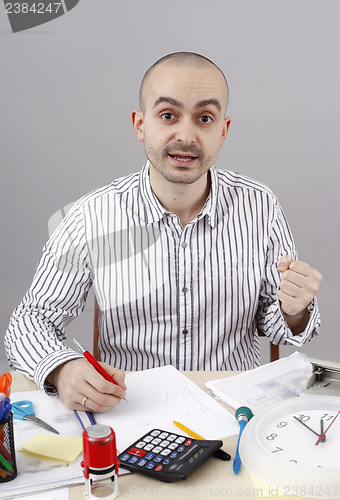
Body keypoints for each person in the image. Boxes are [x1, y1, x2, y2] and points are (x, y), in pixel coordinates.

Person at [5, 52, 322, 413]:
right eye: (168, 115)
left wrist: (294, 309)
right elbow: (30, 321)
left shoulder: (260, 207)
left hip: (234, 408)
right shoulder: (91, 216)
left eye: (204, 118)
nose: (185, 136)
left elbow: (280, 327)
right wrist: (61, 369)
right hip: (130, 410)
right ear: (140, 124)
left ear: (223, 131)